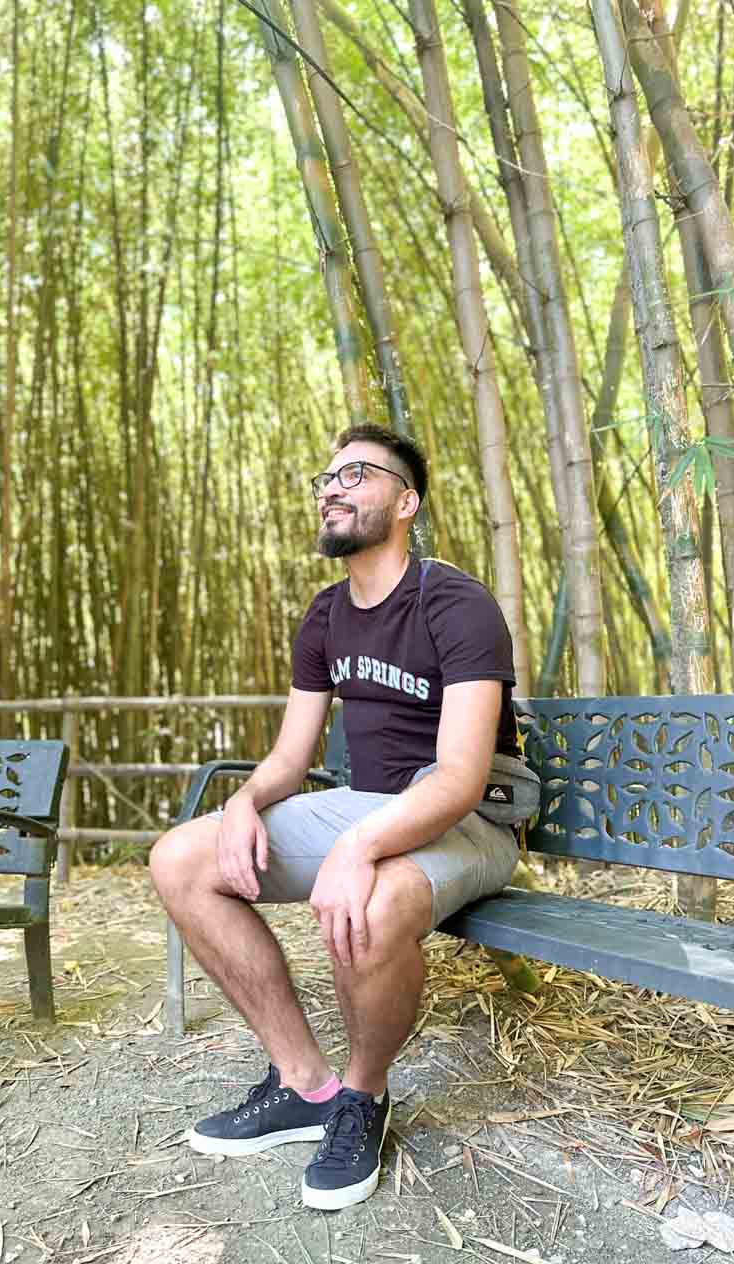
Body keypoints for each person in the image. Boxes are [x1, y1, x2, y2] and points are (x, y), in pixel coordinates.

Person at [149, 422, 520, 1210]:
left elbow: (458, 779)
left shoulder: (455, 602)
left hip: (473, 819)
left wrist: (358, 847)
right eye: (326, 476)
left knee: (375, 901)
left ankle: (363, 1095)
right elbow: (290, 758)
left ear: (406, 500)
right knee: (180, 858)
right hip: (372, 808)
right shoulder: (324, 616)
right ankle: (303, 1084)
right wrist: (246, 800)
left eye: (356, 473)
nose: (331, 487)